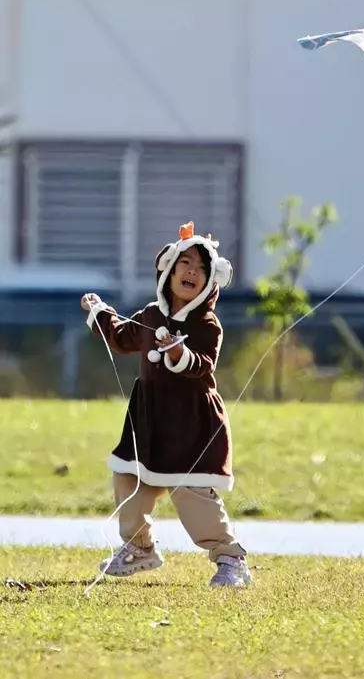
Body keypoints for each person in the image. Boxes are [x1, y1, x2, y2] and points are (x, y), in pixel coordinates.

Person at [80, 221, 251, 588]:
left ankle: (230, 558)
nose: (192, 271)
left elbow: (203, 363)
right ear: (168, 271)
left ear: (209, 282)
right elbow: (124, 338)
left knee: (191, 492)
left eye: (201, 268)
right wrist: (100, 313)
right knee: (129, 476)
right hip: (149, 416)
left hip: (190, 420)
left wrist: (180, 352)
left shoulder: (208, 325)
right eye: (185, 263)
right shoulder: (150, 315)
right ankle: (139, 547)